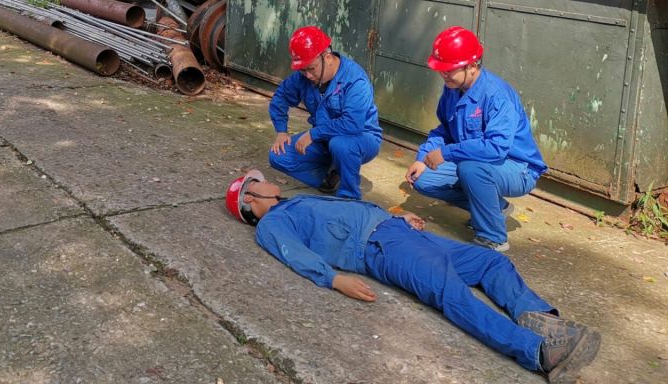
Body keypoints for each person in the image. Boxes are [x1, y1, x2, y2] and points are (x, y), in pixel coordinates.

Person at [225, 169, 600, 383]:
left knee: (490, 262)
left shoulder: (294, 202)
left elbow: (351, 211)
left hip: (396, 232)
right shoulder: (272, 223)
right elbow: (294, 254)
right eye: (257, 182)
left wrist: (396, 217)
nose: (265, 179)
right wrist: (333, 279)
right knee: (449, 291)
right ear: (249, 199)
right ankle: (539, 352)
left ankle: (543, 321)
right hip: (380, 248)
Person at [404, 27, 548, 252]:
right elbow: (444, 130)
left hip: (518, 168)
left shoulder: (496, 95)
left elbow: (496, 147)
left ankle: (493, 238)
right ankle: (495, 208)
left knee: (471, 169)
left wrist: (447, 153)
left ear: (472, 66)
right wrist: (423, 157)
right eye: (441, 69)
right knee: (423, 179)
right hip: (477, 163)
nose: (443, 74)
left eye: (449, 69)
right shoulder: (452, 88)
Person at [267, 26, 381, 199]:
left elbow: (352, 124)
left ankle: (349, 196)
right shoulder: (304, 75)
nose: (307, 75)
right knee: (278, 156)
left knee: (340, 145)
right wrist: (281, 131)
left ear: (327, 57)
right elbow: (280, 98)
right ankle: (329, 177)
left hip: (360, 137)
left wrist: (313, 134)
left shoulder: (355, 80)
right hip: (324, 138)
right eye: (302, 70)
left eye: (311, 68)